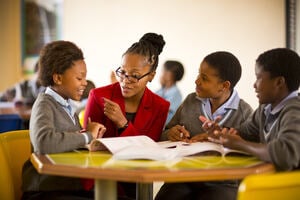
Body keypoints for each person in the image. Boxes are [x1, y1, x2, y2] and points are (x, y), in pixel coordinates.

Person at [156, 51, 253, 200]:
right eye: (198, 74)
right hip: (183, 176)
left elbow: (251, 154)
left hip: (223, 183)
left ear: (224, 85)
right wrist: (170, 133)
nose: (197, 81)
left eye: (204, 78)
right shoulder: (190, 101)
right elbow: (164, 134)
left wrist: (221, 140)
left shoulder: (244, 113)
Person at [84, 32, 170, 199]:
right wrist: (89, 133)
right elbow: (86, 142)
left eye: (135, 76)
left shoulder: (160, 106)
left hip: (136, 180)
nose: (125, 80)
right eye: (122, 72)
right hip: (100, 178)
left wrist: (123, 123)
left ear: (151, 75)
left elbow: (148, 151)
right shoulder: (98, 96)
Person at [21, 40, 106, 200]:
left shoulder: (66, 105)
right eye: (79, 78)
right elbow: (44, 143)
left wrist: (91, 141)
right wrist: (86, 136)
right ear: (58, 78)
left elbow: (69, 143)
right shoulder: (44, 104)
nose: (85, 83)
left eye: (85, 78)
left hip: (67, 186)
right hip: (44, 191)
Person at [207, 48, 300, 172]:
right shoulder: (265, 109)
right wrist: (223, 132)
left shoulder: (294, 110)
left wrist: (240, 144)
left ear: (279, 82)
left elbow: (286, 154)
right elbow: (245, 132)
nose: (254, 85)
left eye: (258, 78)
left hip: (288, 186)